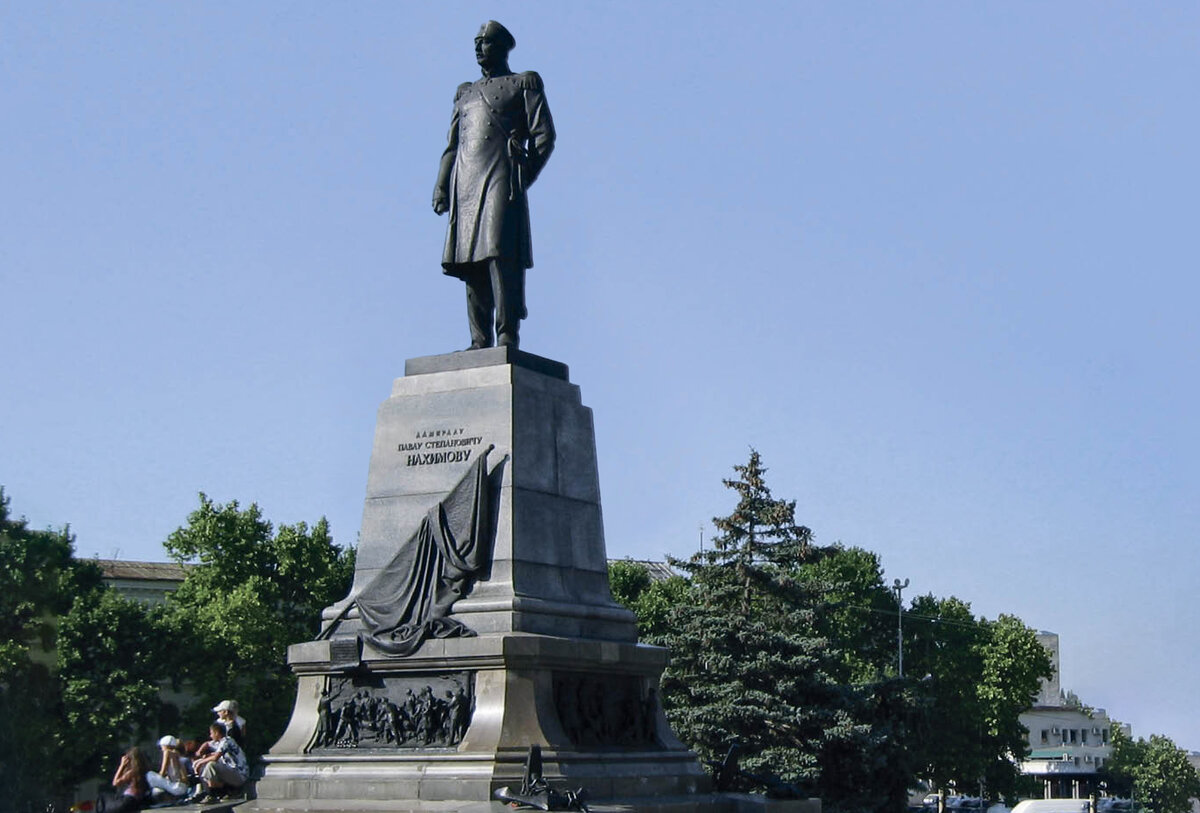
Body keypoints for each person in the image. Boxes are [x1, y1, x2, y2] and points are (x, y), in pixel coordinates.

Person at [434, 20, 555, 351]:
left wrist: (523, 173)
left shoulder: (523, 83)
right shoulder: (465, 93)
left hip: (502, 177)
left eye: (484, 42)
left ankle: (506, 334)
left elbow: (544, 136)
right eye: (476, 42)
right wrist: (442, 185)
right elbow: (453, 145)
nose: (478, 48)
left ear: (501, 47)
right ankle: (478, 338)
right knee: (470, 261)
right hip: (466, 182)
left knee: (499, 254)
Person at [191, 722, 249, 801]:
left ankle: (212, 794)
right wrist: (202, 754)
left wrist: (200, 762)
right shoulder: (221, 742)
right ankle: (222, 791)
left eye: (211, 733)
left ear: (217, 733)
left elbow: (215, 757)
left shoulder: (226, 741)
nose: (210, 736)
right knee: (208, 767)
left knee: (211, 765)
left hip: (239, 774)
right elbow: (208, 745)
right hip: (233, 772)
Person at [102, 747, 149, 813]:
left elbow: (115, 783)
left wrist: (122, 765)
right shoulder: (144, 771)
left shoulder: (132, 772)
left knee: (103, 797)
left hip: (128, 800)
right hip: (136, 801)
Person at [145, 735, 191, 800]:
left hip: (176, 787)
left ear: (165, 745)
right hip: (183, 787)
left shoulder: (167, 752)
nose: (161, 748)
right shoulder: (177, 754)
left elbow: (162, 772)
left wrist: (159, 779)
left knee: (150, 774)